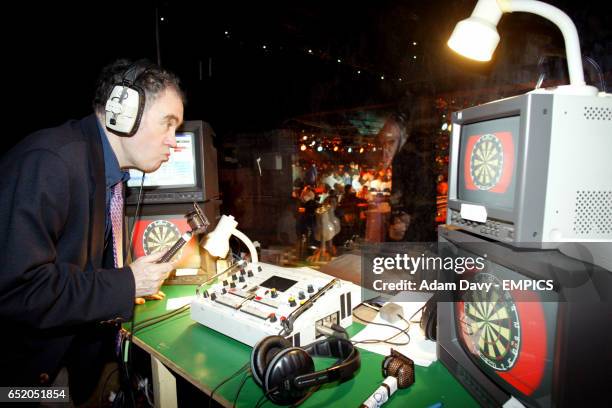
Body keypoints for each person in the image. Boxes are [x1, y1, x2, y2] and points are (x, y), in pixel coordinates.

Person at [0, 58, 183, 404]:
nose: (174, 142)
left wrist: (122, 286)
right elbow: (17, 290)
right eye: (168, 124)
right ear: (122, 111)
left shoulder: (107, 174)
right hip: (22, 384)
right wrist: (126, 283)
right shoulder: (50, 162)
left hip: (70, 368)